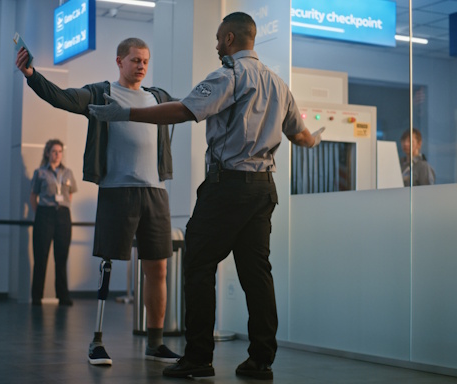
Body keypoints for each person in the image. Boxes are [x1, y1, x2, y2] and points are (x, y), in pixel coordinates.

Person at [89, 12, 324, 380]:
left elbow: (184, 110)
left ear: (230, 38)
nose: (215, 46)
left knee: (198, 265)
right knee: (257, 273)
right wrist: (315, 138)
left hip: (227, 186)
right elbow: (301, 135)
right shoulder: (279, 84)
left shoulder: (228, 75)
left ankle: (198, 357)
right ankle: (260, 360)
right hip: (264, 189)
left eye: (218, 39)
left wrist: (127, 113)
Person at [15, 37, 181, 366]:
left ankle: (156, 342)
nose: (141, 66)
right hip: (117, 189)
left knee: (158, 268)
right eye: (135, 60)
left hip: (155, 191)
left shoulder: (158, 98)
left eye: (145, 61)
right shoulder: (100, 93)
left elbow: (189, 108)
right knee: (108, 264)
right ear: (119, 61)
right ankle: (97, 341)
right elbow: (61, 98)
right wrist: (32, 73)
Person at [30, 139, 78, 306]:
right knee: (41, 257)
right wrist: (42, 214)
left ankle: (63, 296)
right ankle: (36, 297)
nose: (57, 155)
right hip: (45, 215)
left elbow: (69, 195)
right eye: (54, 151)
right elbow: (33, 196)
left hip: (63, 216)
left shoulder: (68, 173)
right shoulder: (40, 172)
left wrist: (61, 208)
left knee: (61, 257)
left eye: (60, 151)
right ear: (47, 153)